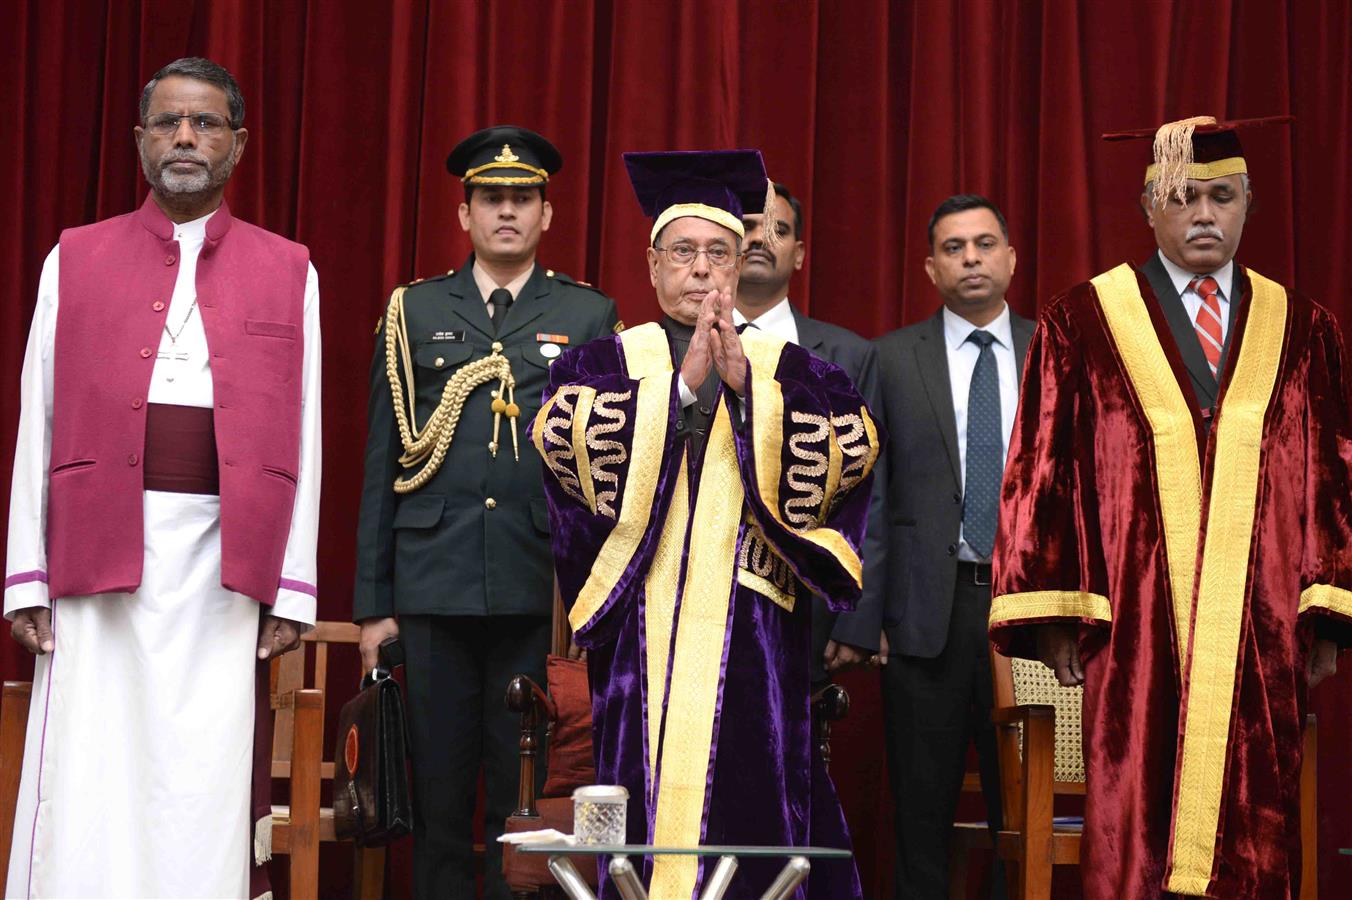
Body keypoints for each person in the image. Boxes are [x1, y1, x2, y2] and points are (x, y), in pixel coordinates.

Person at [990, 116, 1348, 899]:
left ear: (1249, 204)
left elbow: (1331, 476)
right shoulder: (1083, 319)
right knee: (1137, 812)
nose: (1204, 215)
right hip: (1135, 622)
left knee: (1258, 814)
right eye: (1183, 197)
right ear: (1148, 206)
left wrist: (1327, 614)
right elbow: (1045, 469)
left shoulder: (1303, 327)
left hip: (1265, 626)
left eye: (1222, 196)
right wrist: (1057, 617)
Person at [3, 57, 320, 899]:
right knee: (88, 769)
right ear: (142, 139)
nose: (187, 137)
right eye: (170, 122)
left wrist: (292, 587)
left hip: (225, 560)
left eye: (206, 123)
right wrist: (27, 574)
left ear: (238, 144)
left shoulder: (290, 269)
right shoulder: (74, 257)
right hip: (95, 543)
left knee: (202, 777)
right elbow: (39, 417)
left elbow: (307, 433)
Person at [531, 149, 879, 899]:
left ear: (740, 266)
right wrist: (681, 391)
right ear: (652, 265)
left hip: (754, 637)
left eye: (718, 253)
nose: (699, 270)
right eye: (682, 253)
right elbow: (563, 446)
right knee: (637, 818)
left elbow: (852, 454)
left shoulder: (794, 371)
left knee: (754, 814)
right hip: (640, 641)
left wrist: (753, 393)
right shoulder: (601, 365)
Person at [353, 125, 618, 899]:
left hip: (536, 588)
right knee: (437, 792)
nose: (507, 211)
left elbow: (601, 473)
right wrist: (374, 607)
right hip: (430, 587)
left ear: (547, 214)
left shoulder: (589, 314)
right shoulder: (413, 310)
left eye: (523, 199)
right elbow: (382, 463)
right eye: (491, 198)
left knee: (525, 795)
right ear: (464, 214)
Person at [873, 194, 1031, 898]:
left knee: (1021, 813)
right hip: (923, 617)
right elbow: (869, 496)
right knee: (921, 814)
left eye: (985, 243)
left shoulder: (1056, 350)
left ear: (1010, 258)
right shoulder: (889, 358)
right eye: (954, 247)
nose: (971, 258)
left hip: (1029, 618)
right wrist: (867, 617)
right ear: (931, 267)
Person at [734, 183, 887, 685]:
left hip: (810, 601)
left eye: (778, 229)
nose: (761, 238)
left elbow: (872, 493)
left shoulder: (848, 355)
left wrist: (858, 616)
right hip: (694, 594)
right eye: (749, 226)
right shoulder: (677, 345)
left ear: (798, 255)